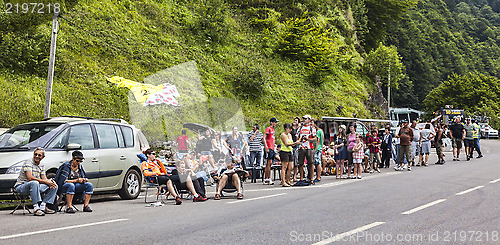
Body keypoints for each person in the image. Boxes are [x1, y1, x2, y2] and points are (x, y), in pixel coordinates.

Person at [141, 149, 207, 204]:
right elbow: (146, 173)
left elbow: (165, 172)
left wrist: (160, 163)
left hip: (165, 176)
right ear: (148, 155)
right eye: (153, 154)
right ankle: (176, 197)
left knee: (186, 176)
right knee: (168, 179)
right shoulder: (145, 163)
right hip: (155, 178)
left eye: (155, 154)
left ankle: (195, 196)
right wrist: (157, 173)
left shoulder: (155, 163)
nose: (155, 156)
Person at [14, 147, 58, 216]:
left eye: (39, 155)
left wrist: (50, 182)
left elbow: (44, 179)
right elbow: (30, 178)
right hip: (22, 186)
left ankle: (43, 206)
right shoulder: (28, 162)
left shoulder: (42, 165)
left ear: (43, 157)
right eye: (35, 154)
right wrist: (46, 182)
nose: (37, 156)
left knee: (54, 185)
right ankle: (36, 208)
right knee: (34, 182)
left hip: (35, 187)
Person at [296, 115, 317, 182]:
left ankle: (311, 178)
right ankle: (301, 178)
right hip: (301, 147)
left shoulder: (312, 128)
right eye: (303, 119)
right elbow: (297, 136)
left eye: (305, 119)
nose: (304, 120)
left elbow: (315, 138)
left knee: (311, 163)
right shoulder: (300, 127)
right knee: (301, 163)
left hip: (309, 147)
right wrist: (299, 140)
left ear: (309, 120)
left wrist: (308, 139)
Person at [262, 118, 278, 185]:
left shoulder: (273, 130)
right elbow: (264, 138)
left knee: (269, 163)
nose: (276, 124)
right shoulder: (268, 129)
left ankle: (267, 178)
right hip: (268, 148)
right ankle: (267, 178)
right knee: (268, 163)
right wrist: (266, 147)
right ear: (272, 122)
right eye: (275, 122)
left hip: (272, 148)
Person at [291, 117, 301, 182]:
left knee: (296, 163)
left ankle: (294, 176)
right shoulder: (291, 129)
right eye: (294, 120)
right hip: (291, 146)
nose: (294, 121)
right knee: (290, 162)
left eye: (296, 120)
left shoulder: (299, 129)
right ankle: (288, 176)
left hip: (296, 146)